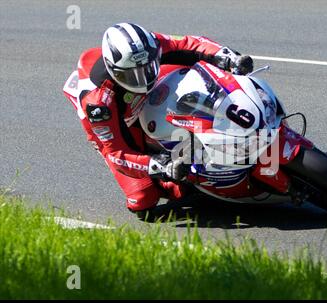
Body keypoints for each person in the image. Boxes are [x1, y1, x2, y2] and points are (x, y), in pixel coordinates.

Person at [63, 23, 253, 219]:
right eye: (133, 75)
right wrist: (160, 165)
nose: (143, 80)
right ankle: (183, 186)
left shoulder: (148, 45)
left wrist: (227, 56)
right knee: (143, 199)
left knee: (200, 70)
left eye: (146, 69)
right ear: (114, 70)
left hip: (153, 82)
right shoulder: (98, 104)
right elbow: (117, 155)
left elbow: (189, 43)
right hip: (121, 119)